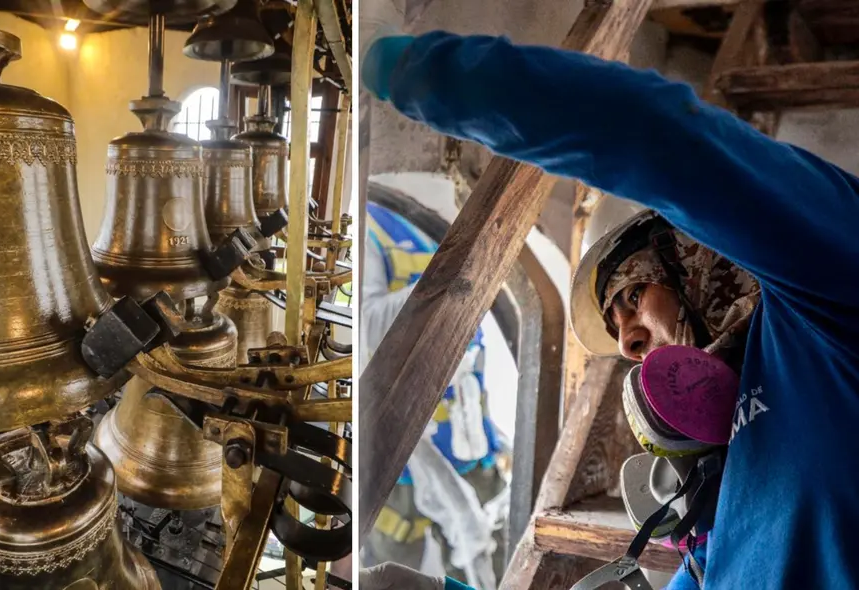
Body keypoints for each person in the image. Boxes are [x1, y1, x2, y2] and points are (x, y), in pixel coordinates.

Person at [359, 29, 859, 590]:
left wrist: (422, 75)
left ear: (694, 250)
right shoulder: (715, 485)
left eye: (633, 296)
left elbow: (657, 138)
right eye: (615, 326)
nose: (626, 343)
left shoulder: (827, 296)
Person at [361, 198, 510, 589]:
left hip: (469, 448)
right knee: (392, 576)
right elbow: (368, 328)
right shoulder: (369, 226)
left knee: (492, 565)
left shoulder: (438, 221)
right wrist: (446, 287)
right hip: (401, 461)